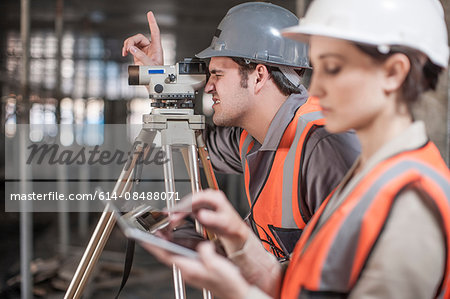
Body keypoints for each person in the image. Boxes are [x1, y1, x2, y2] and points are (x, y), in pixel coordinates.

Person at [142, 0, 450, 298]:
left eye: (333, 68)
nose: (314, 90)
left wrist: (238, 292)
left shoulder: (409, 205)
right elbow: (313, 284)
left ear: (393, 73)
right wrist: (240, 243)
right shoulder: (370, 175)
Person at [122, 2, 360, 258]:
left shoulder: (324, 145)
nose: (208, 87)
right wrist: (160, 85)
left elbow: (351, 273)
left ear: (258, 76)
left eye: (218, 75)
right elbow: (191, 144)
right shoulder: (250, 135)